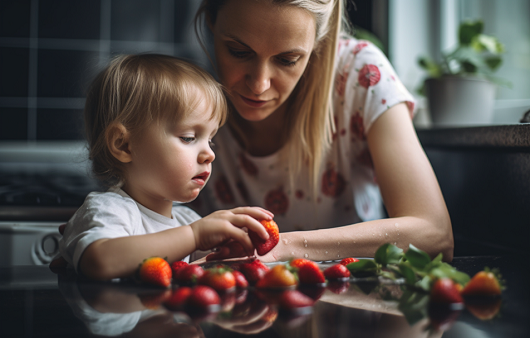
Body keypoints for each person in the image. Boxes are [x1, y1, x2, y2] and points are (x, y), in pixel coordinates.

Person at [192, 0, 454, 262]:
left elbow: (434, 234)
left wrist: (282, 247)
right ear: (211, 21)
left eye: (287, 60)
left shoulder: (361, 74)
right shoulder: (187, 97)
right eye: (239, 52)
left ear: (319, 40)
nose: (260, 84)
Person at [57, 54, 272, 281]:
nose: (210, 154)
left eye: (210, 140)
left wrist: (234, 245)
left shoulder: (187, 220)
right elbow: (99, 261)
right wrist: (195, 236)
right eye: (189, 137)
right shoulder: (109, 210)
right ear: (124, 145)